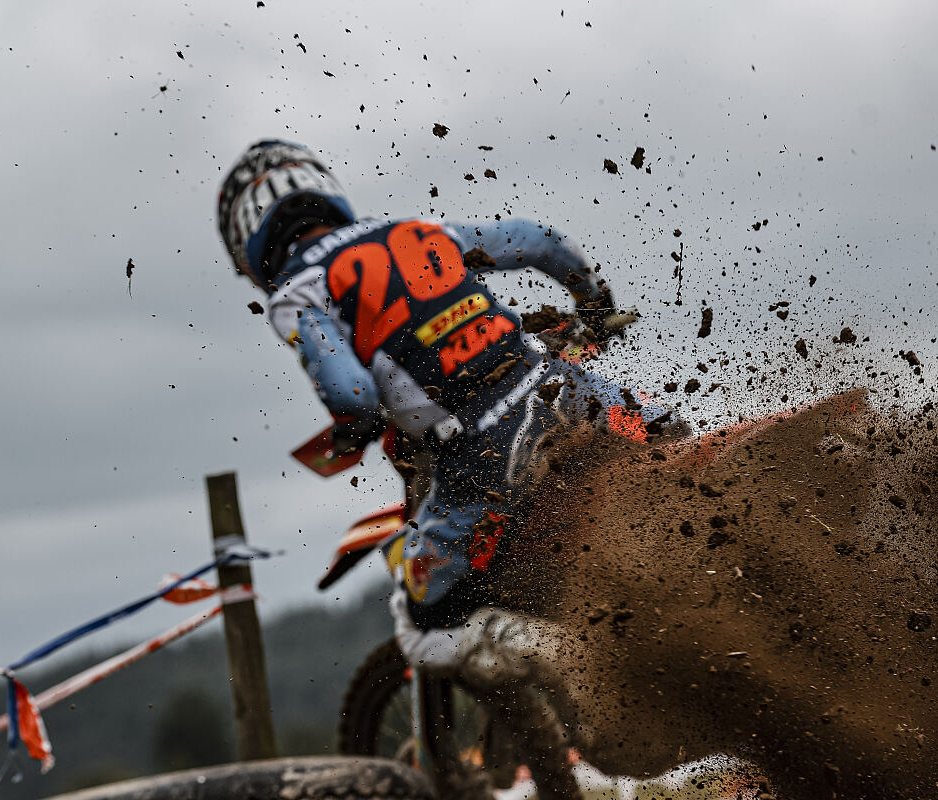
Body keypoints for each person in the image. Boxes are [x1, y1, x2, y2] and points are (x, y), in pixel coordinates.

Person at [217, 140, 675, 799]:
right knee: (676, 447)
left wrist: (359, 424)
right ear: (327, 191)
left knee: (421, 613)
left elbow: (351, 394)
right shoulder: (416, 230)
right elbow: (539, 240)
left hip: (489, 447)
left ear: (252, 244)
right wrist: (594, 303)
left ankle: (572, 660)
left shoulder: (298, 293)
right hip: (569, 391)